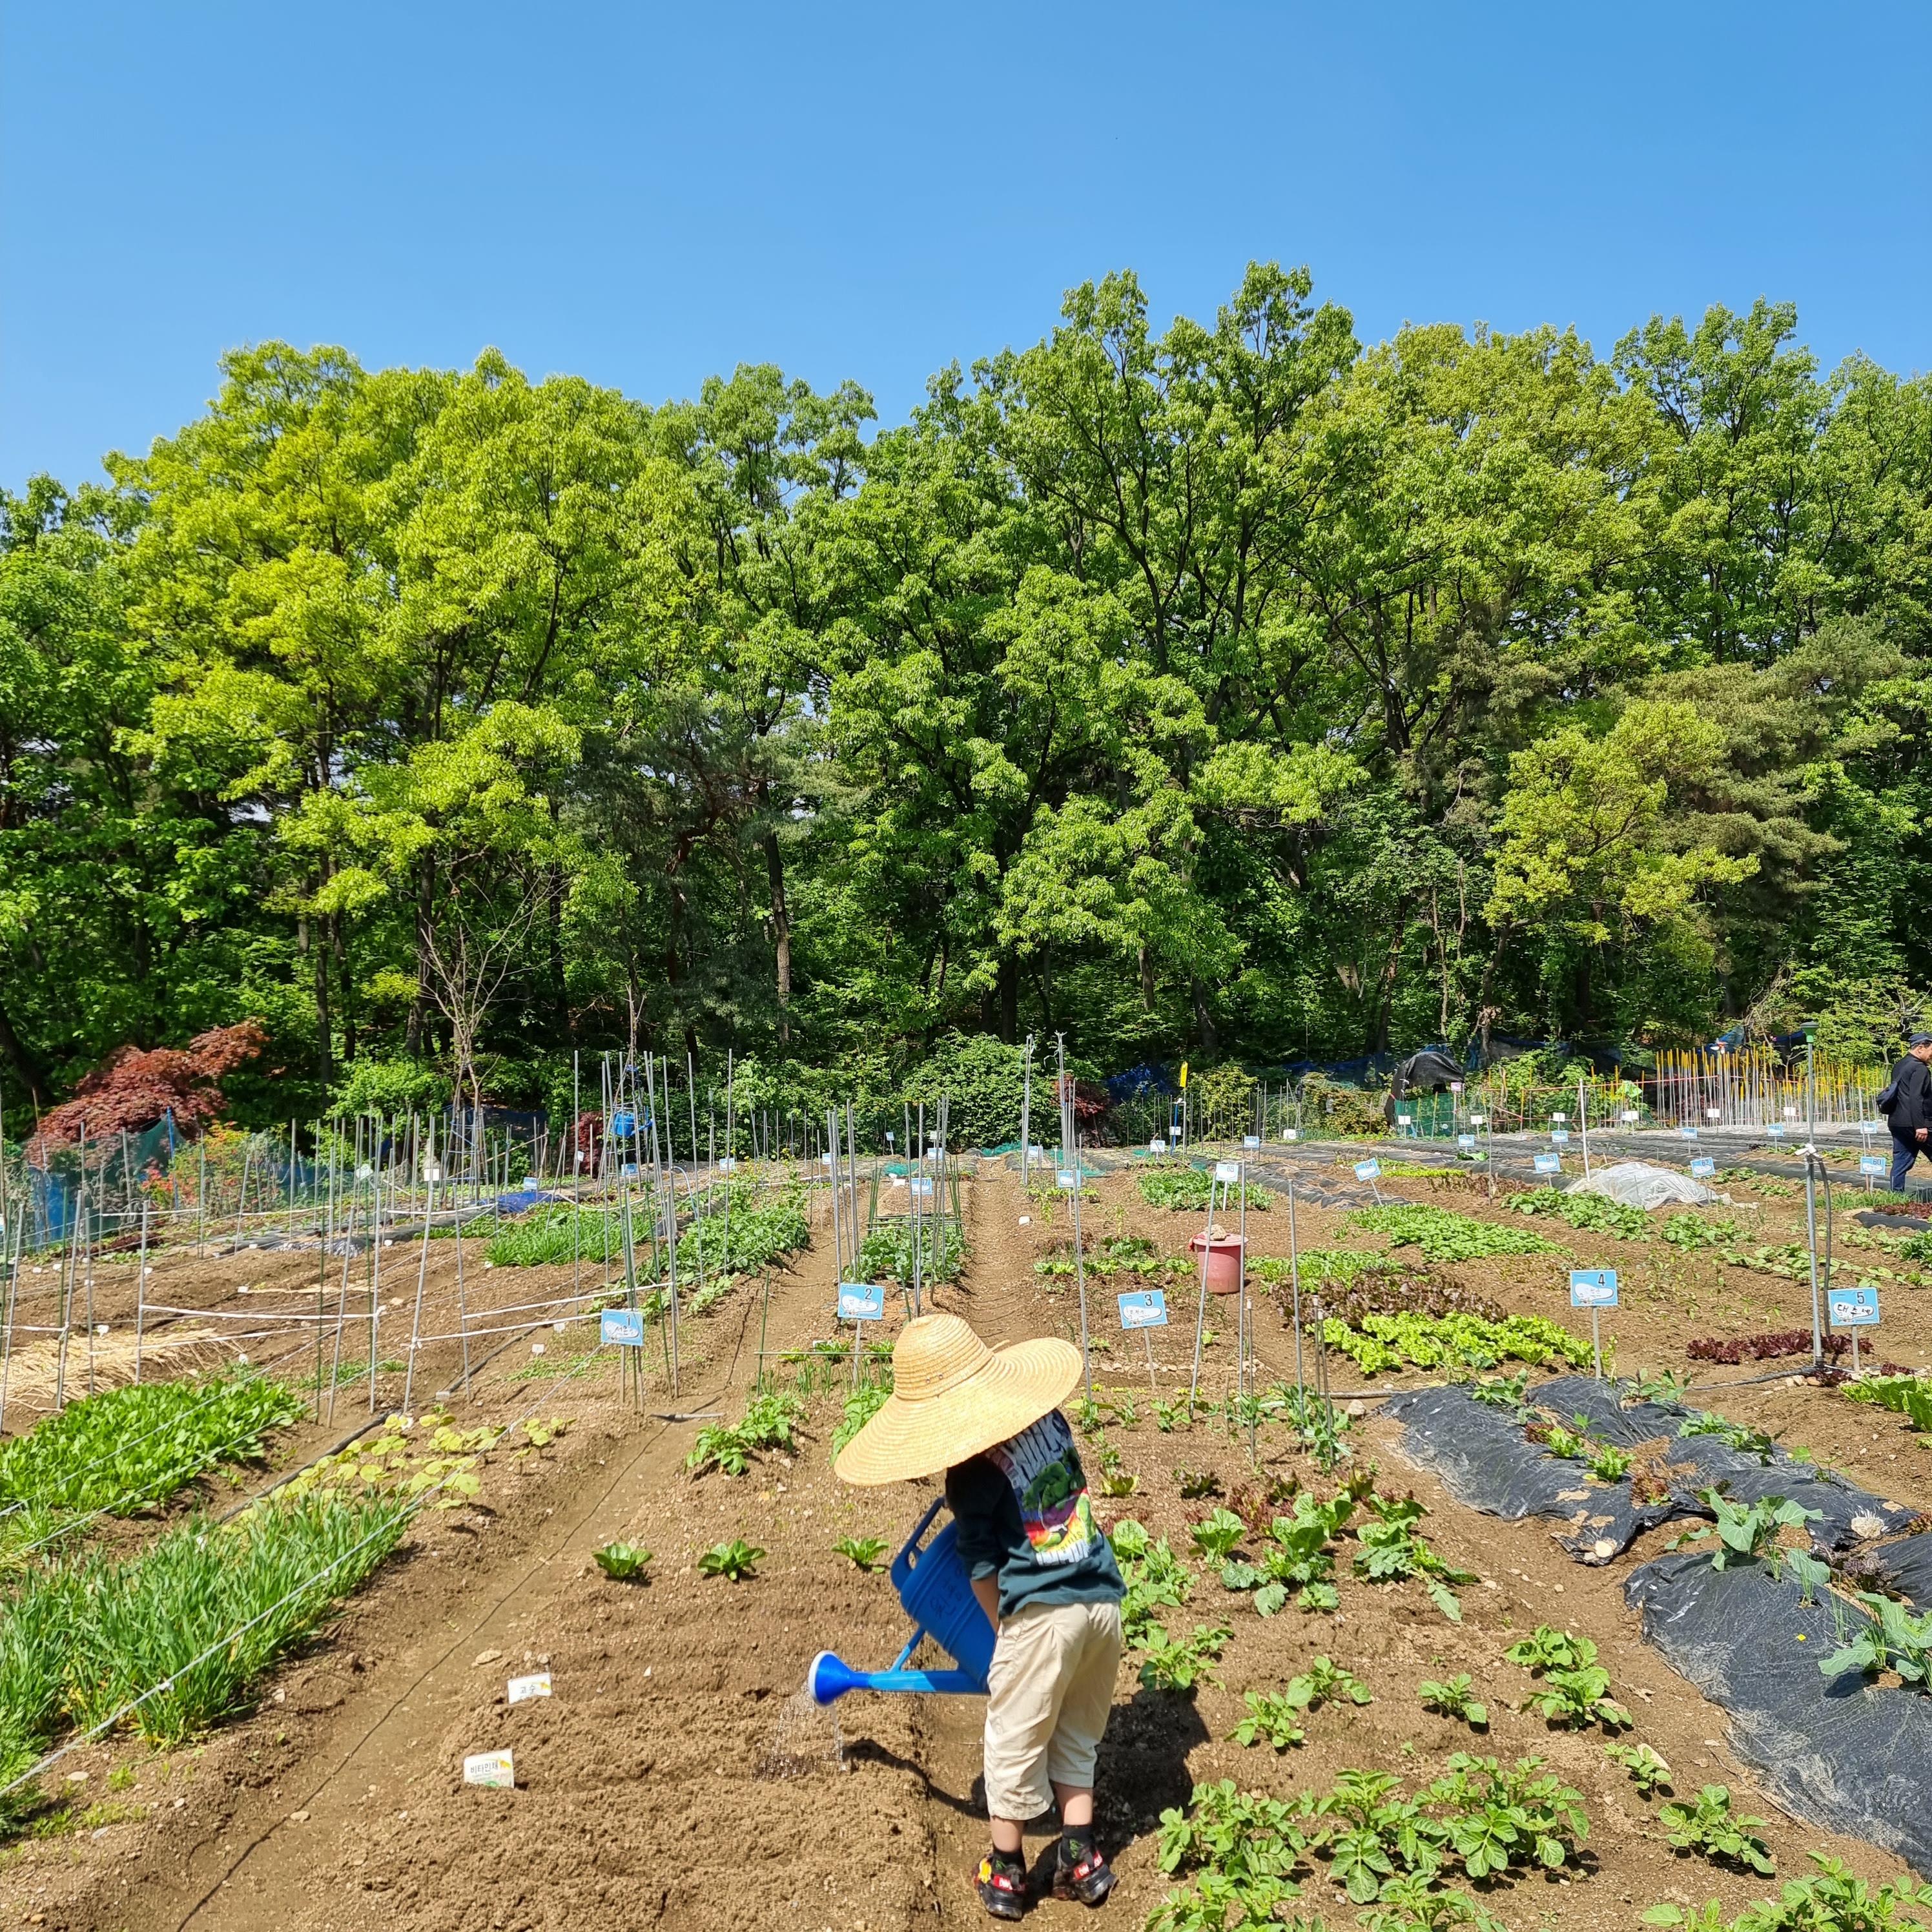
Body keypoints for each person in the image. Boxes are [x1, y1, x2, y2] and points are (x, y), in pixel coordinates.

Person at [836, 1313, 1124, 1920]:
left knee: (1011, 1741)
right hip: (1102, 1602)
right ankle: (1080, 1858)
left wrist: (1005, 1635)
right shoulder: (1050, 1420)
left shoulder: (969, 1476)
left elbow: (983, 1570)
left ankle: (1007, 1869)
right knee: (1076, 1733)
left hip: (1042, 1619)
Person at [1882, 1033, 1932, 1192]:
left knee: (1901, 1161)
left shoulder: (1900, 1065)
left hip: (1897, 1122)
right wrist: (1920, 1126)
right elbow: (1916, 1098)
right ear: (1921, 1048)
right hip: (1916, 1124)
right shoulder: (1920, 1068)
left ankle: (1895, 1195)